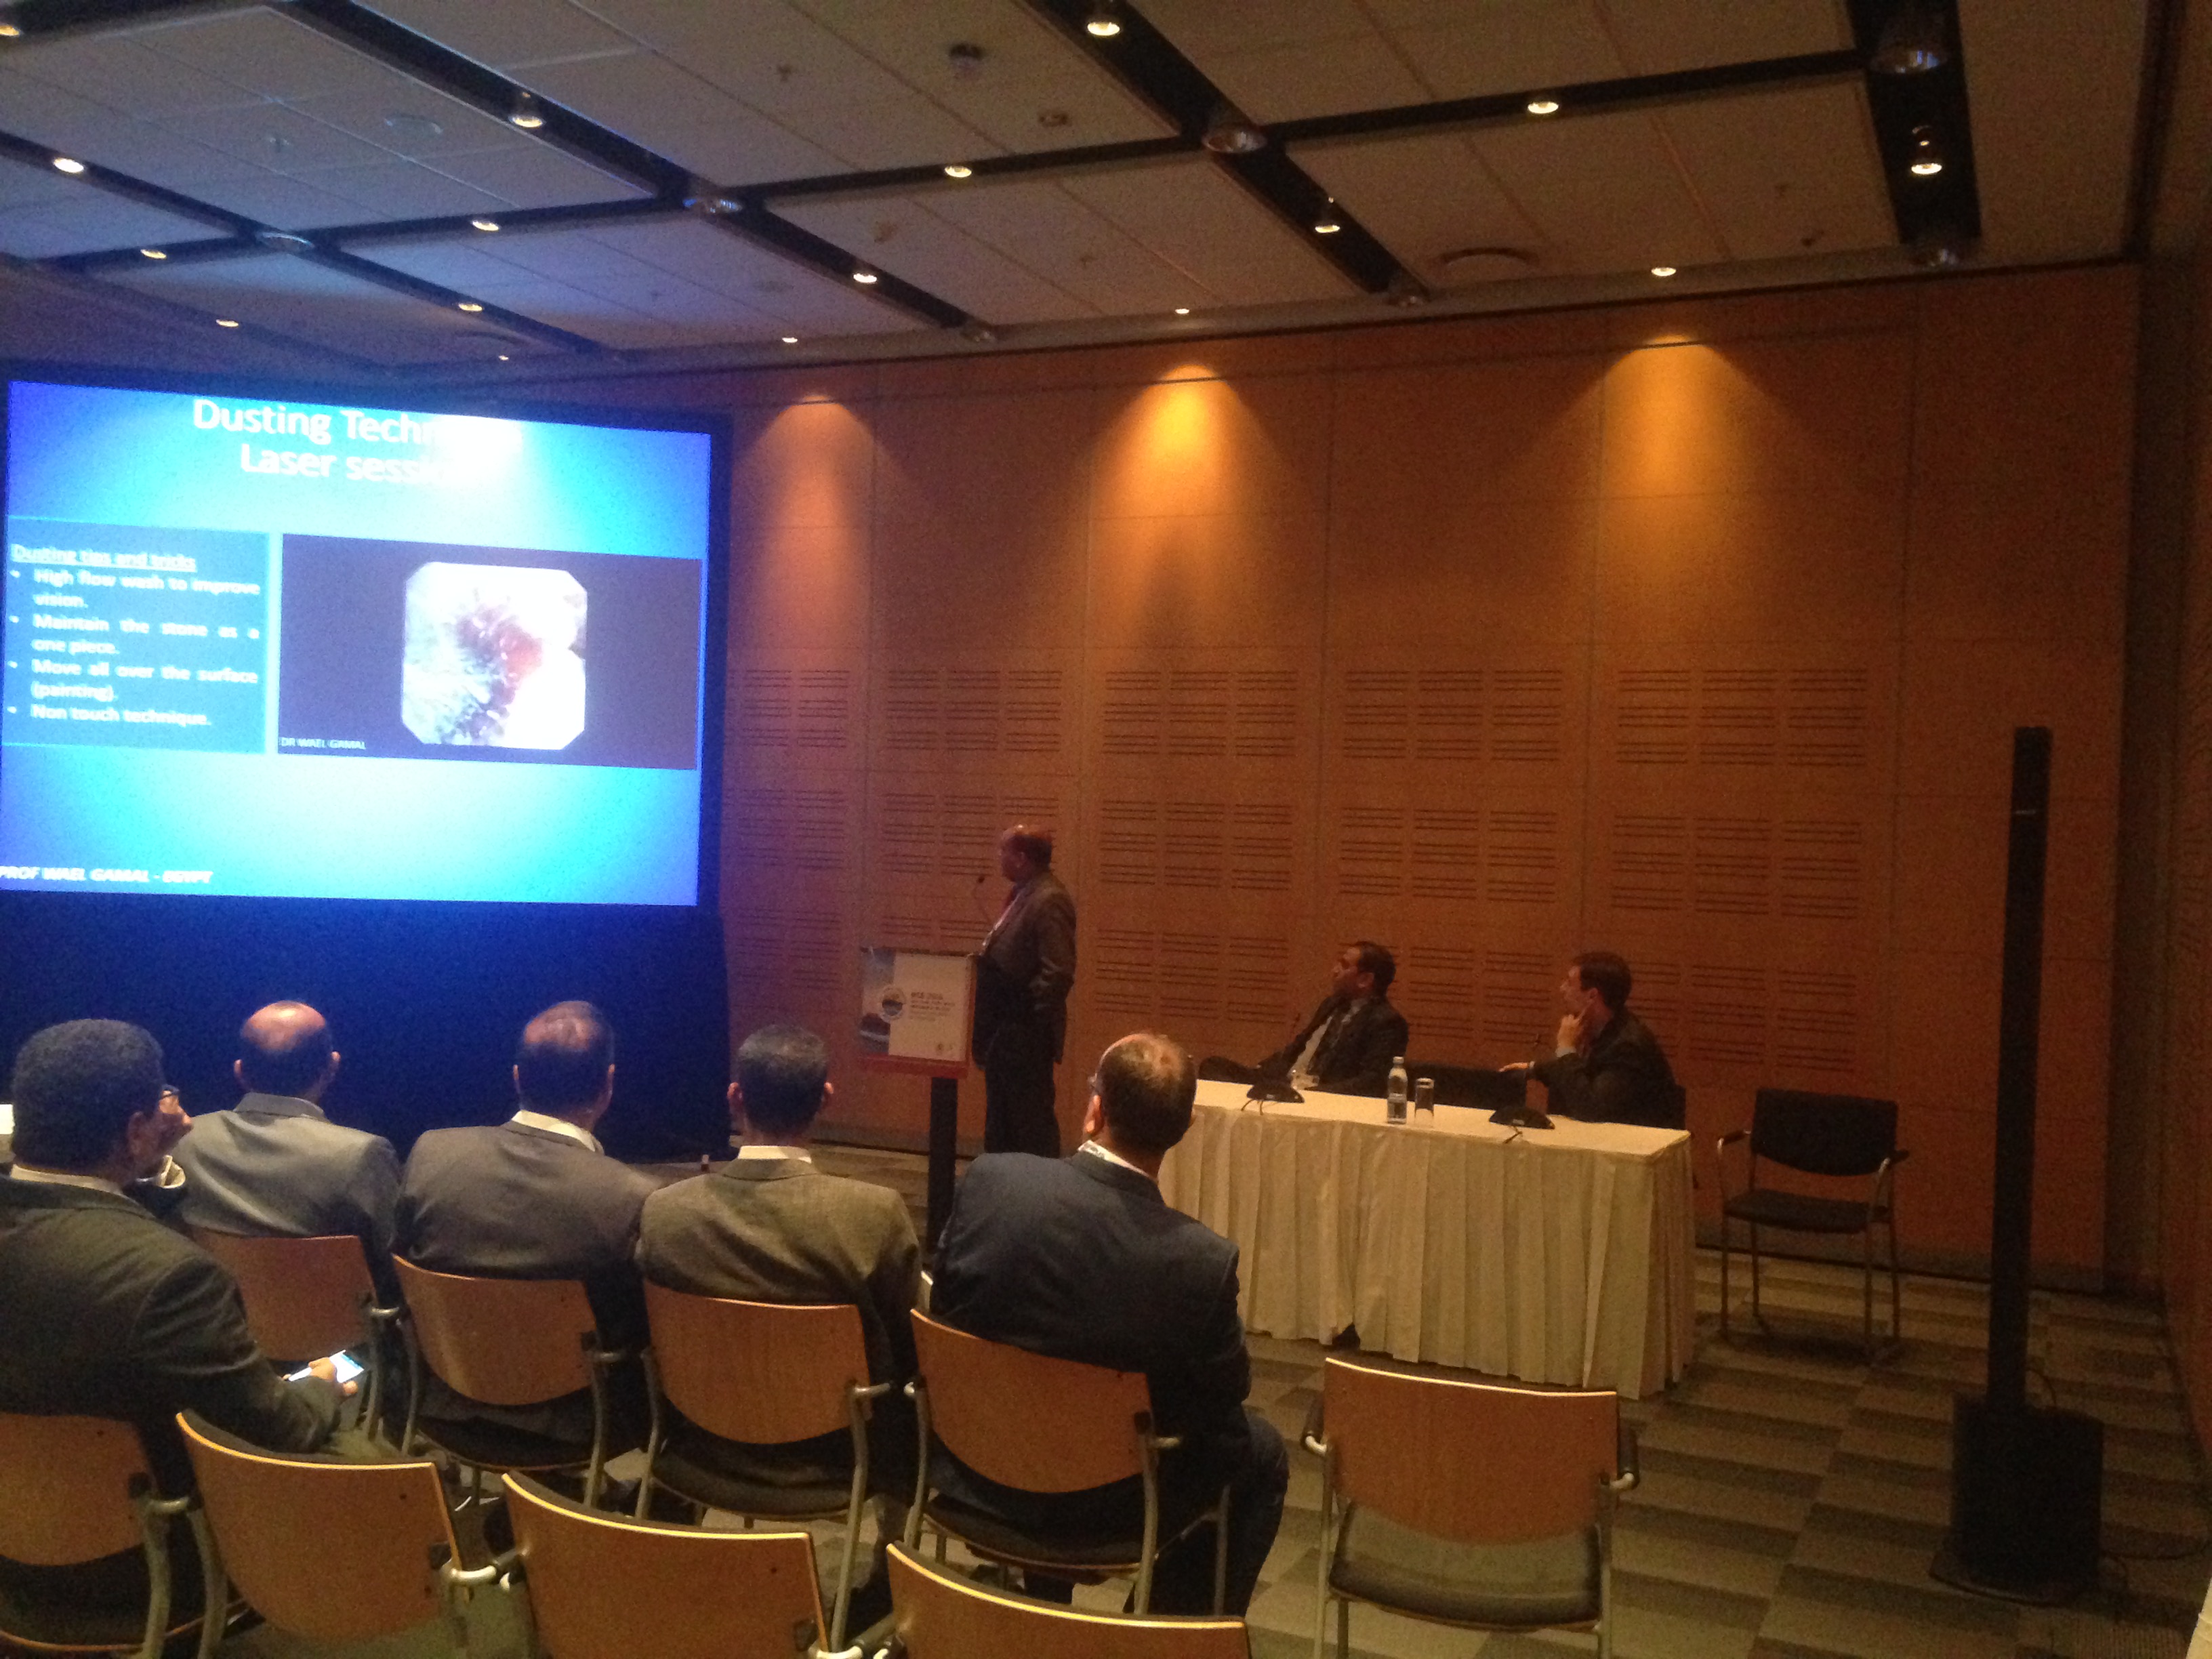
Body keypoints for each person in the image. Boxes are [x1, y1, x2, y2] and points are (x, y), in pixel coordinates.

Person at [930, 1032, 1288, 1616]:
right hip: (1111, 1509)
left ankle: (1043, 1596)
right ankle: (1161, 1639)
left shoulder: (990, 1183)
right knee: (1261, 1451)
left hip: (971, 1468)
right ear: (1184, 1129)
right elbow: (1223, 1404)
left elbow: (945, 1311)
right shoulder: (1201, 1262)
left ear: (1094, 1110)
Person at [0, 1020, 347, 1619]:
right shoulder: (173, 1279)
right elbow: (285, 1430)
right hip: (141, 1570)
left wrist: (146, 1168)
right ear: (137, 1129)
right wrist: (321, 1384)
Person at [636, 1023, 920, 1622]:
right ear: (826, 1100)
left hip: (700, 1441)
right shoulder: (873, 1216)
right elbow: (906, 1344)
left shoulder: (664, 1214)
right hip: (839, 1455)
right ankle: (888, 1572)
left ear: (735, 1098)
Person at [396, 1000, 658, 1446]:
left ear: (517, 1077)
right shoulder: (634, 1197)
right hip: (584, 1421)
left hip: (443, 1397)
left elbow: (397, 1265)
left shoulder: (430, 1154)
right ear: (608, 1085)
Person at [174, 1001, 401, 1298]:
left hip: (215, 1318)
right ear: (332, 1067)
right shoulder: (361, 1155)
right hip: (332, 1327)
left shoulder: (183, 1139)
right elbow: (397, 1273)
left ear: (240, 1072)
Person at [973, 823, 1076, 1157]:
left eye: (1003, 851)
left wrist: (1025, 1018)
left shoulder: (1050, 898)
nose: (998, 857)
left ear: (1020, 857)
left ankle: (1040, 1184)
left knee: (1030, 1124)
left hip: (1024, 1035)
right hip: (1004, 1032)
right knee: (1003, 1123)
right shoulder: (1024, 893)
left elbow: (1058, 972)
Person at [1507, 951, 1680, 1128]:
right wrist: (1533, 1069)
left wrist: (1566, 1049)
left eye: (1569, 983)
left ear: (1592, 996)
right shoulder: (1606, 1028)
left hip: (1638, 1141)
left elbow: (1592, 1109)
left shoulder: (1628, 1046)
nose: (1562, 989)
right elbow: (1583, 1072)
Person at [1255, 941, 1409, 1097]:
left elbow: (1371, 1083)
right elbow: (1299, 1047)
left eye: (1344, 966)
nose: (1335, 971)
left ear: (1365, 980)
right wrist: (1261, 1070)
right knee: (1240, 1075)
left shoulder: (1388, 1023)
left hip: (1327, 1099)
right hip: (1291, 1087)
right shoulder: (1331, 1005)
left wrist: (1311, 1093)